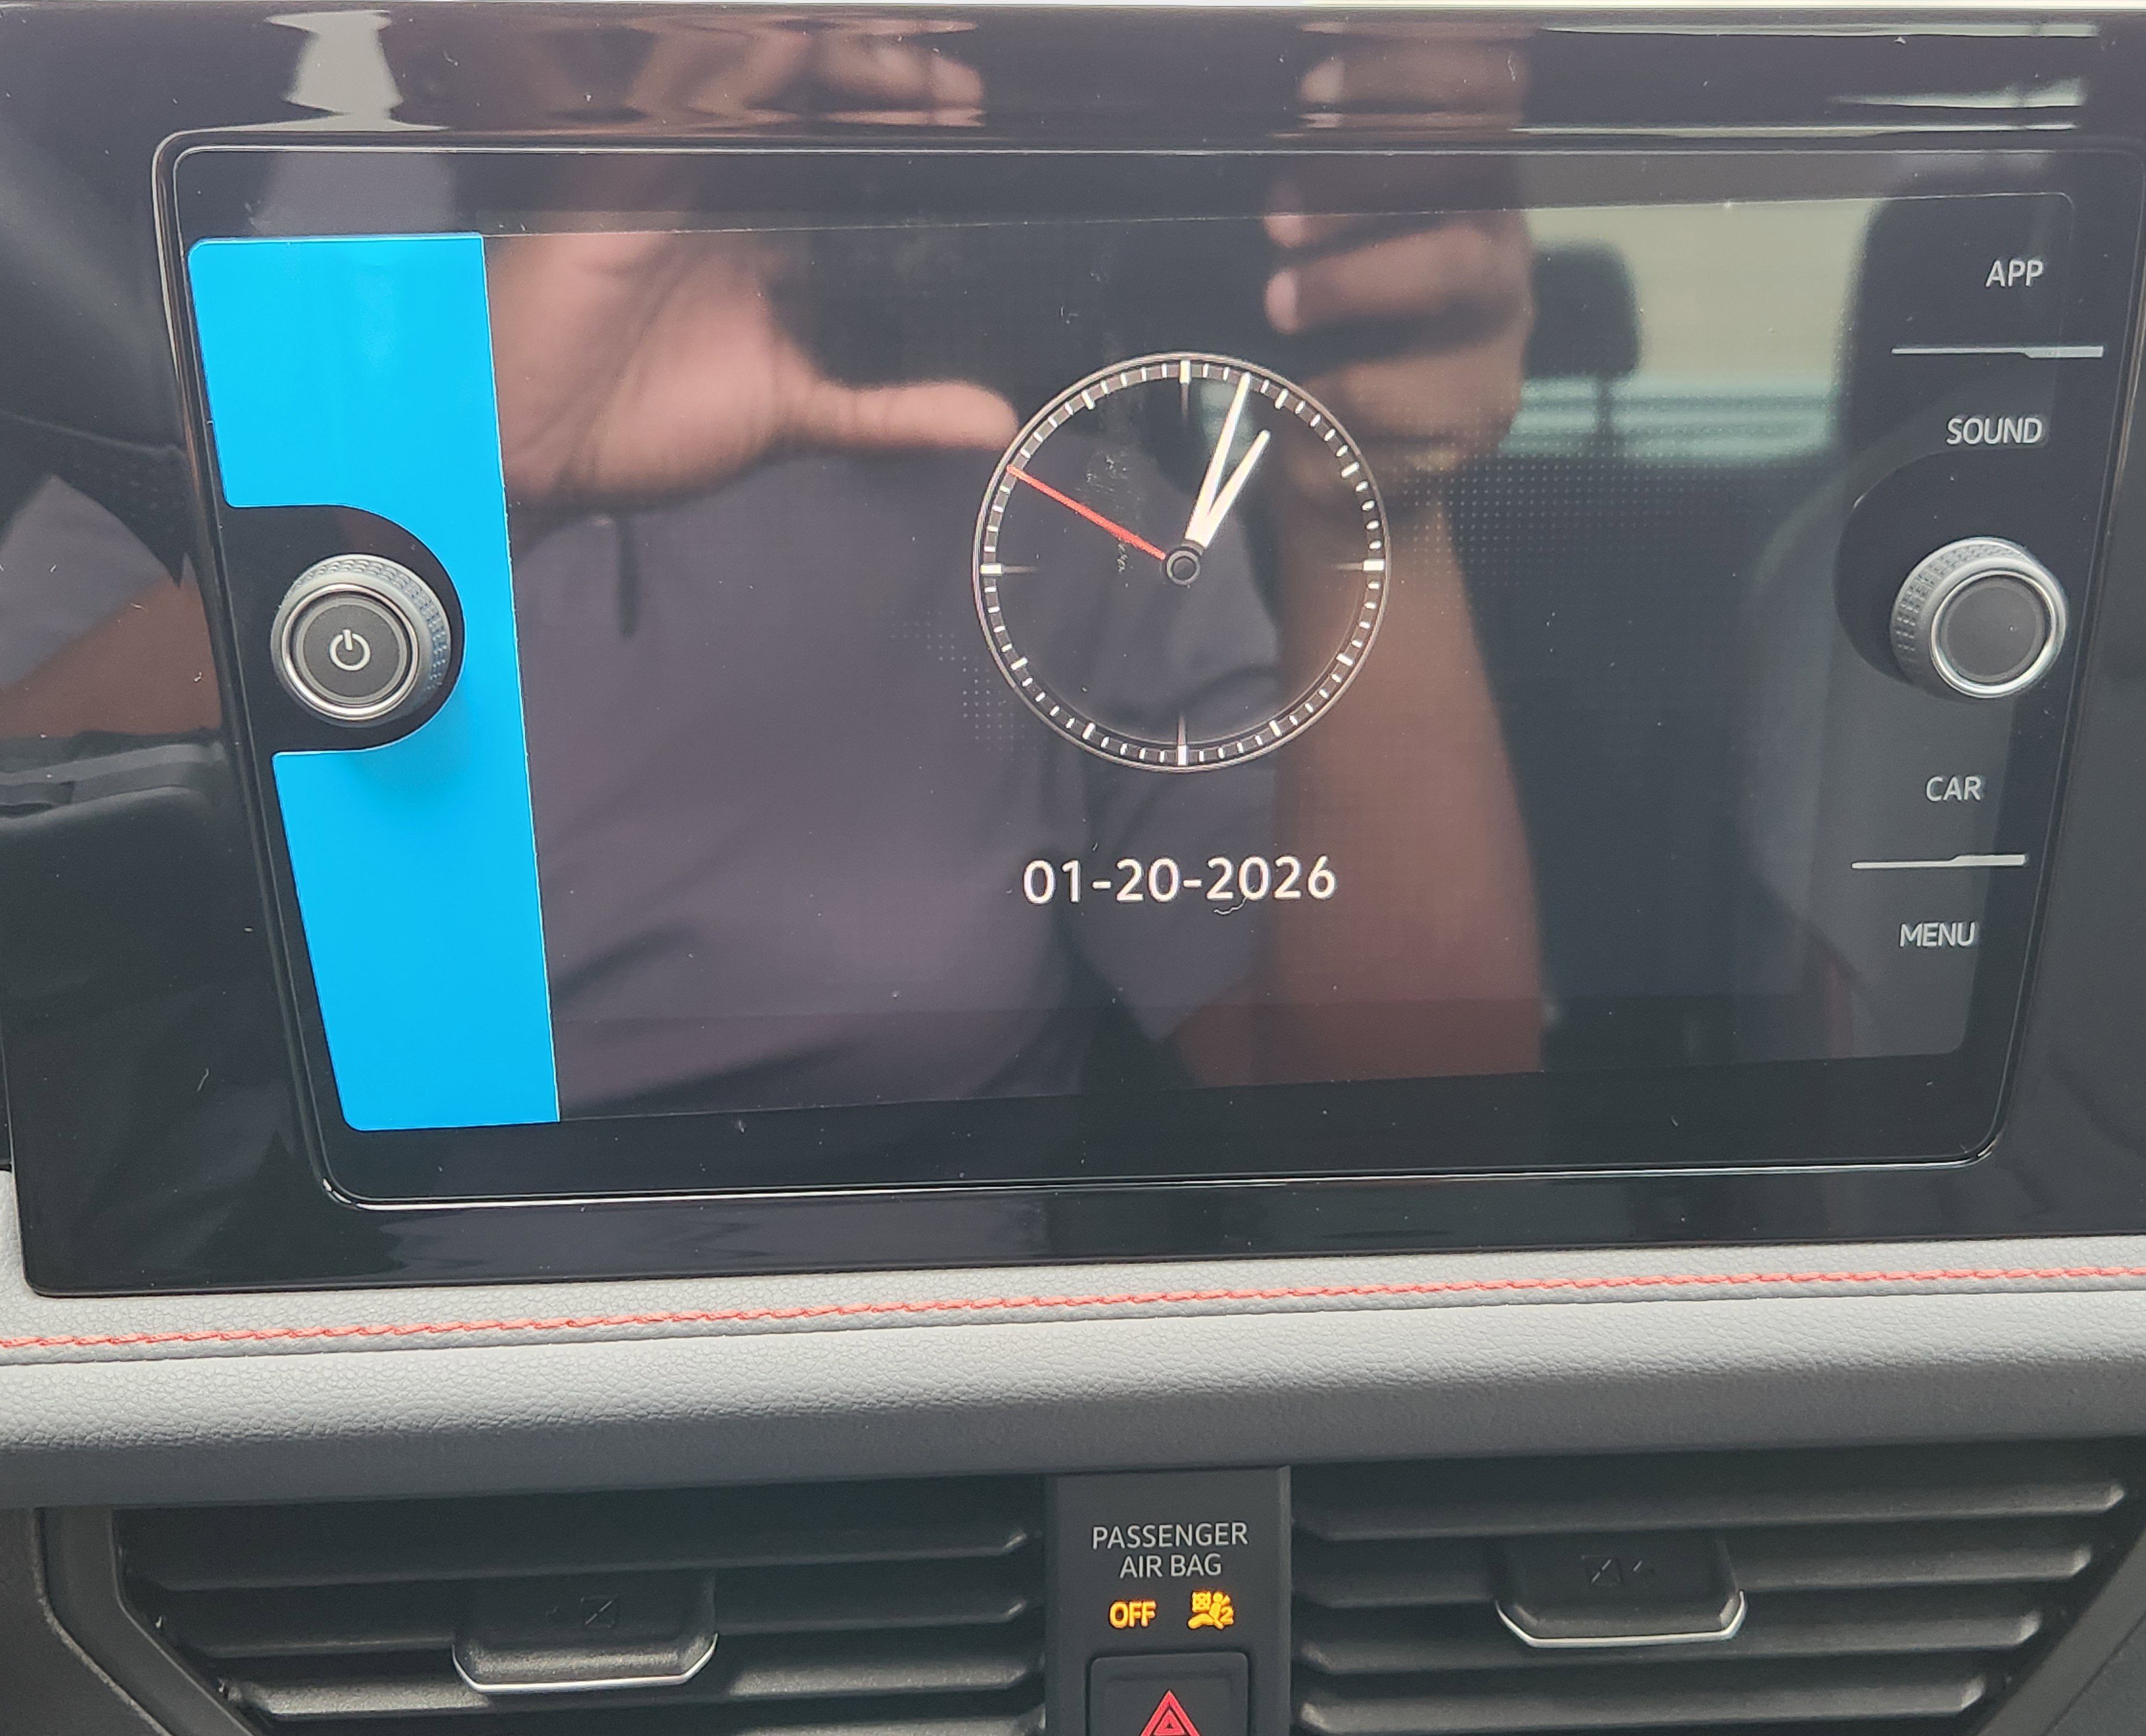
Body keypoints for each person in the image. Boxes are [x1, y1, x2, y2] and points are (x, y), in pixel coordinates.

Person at [506, 33, 1553, 1115]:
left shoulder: (1085, 535)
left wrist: (1368, 505)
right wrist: (483, 462)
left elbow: (1403, 1121)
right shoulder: (411, 452)